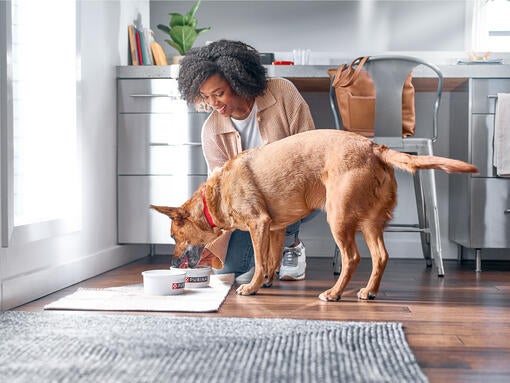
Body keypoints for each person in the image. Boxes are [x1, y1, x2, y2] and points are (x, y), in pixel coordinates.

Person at [177, 39, 317, 283]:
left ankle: (290, 245)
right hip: (250, 209)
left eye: (219, 93)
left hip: (300, 191)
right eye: (205, 96)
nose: (213, 103)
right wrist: (211, 244)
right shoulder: (211, 130)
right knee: (228, 271)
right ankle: (265, 260)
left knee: (275, 194)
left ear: (238, 80)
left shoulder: (282, 93)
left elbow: (311, 153)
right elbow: (219, 195)